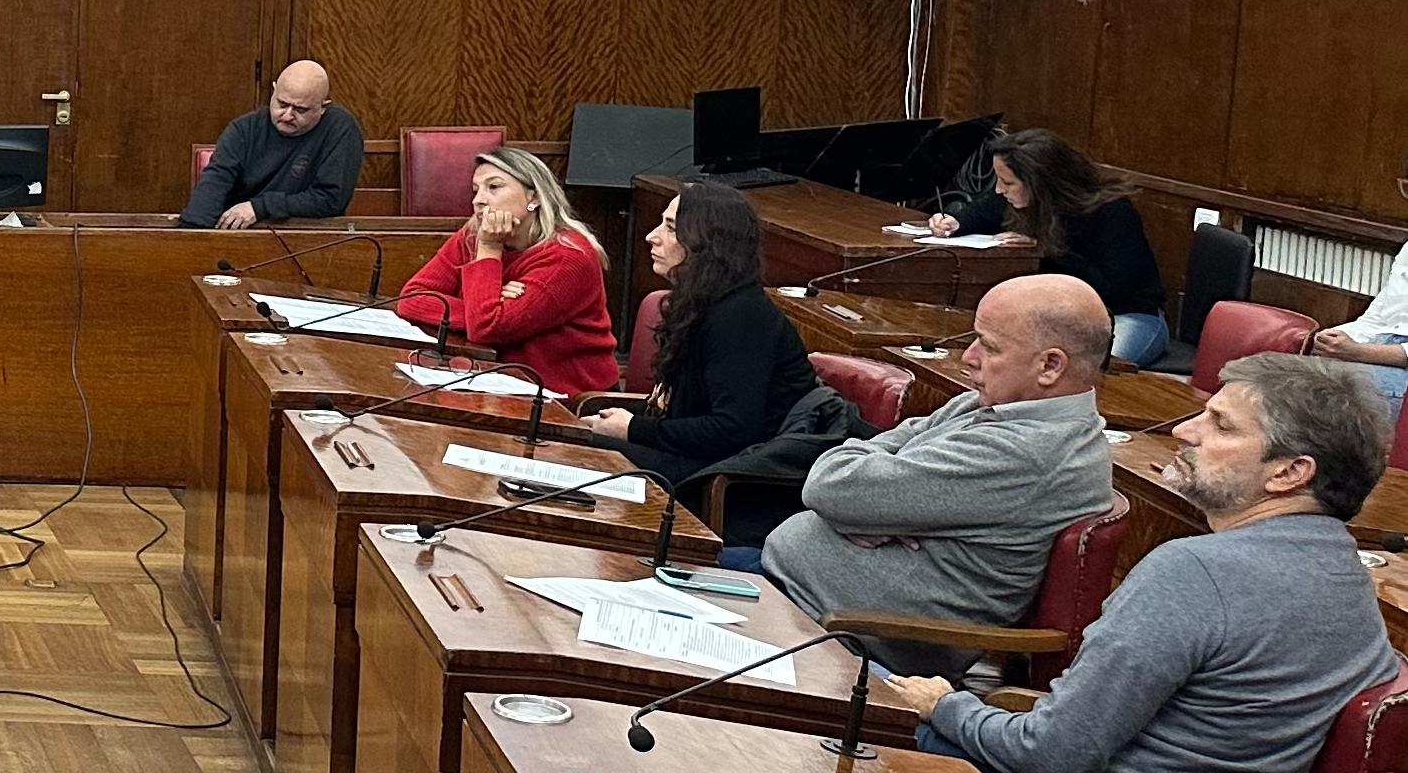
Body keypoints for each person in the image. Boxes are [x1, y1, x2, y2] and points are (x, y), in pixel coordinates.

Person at [882, 353, 1398, 773]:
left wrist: (945, 705)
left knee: (872, 724)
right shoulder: (1348, 578)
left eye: (1221, 425)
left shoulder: (1196, 572)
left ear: (1289, 473)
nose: (1184, 431)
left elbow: (1050, 755)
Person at [757, 273, 1116, 643]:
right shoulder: (988, 405)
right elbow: (863, 464)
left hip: (840, 634)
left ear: (1050, 366)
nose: (968, 358)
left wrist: (864, 498)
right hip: (796, 594)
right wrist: (867, 507)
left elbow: (829, 485)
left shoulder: (1028, 452)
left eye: (989, 347)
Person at [579, 180, 814, 512]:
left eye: (671, 228)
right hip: (691, 457)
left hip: (723, 481)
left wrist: (633, 428)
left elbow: (731, 430)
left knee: (580, 452)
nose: (652, 236)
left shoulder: (741, 316)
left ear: (708, 242)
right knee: (572, 438)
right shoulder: (701, 304)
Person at [925, 128, 1168, 366]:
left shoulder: (1113, 211)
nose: (999, 189)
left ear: (1040, 183)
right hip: (1059, 319)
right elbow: (987, 208)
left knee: (1086, 369)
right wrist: (956, 221)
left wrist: (1045, 249)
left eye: (1007, 182)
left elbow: (1114, 287)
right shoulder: (1022, 199)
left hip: (1128, 316)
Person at [393, 146, 617, 393]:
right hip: (499, 380)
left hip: (568, 396)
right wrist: (489, 303)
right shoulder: (471, 236)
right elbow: (411, 299)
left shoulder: (569, 257)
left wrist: (489, 249)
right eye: (476, 190)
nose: (478, 200)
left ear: (533, 197)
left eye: (494, 187)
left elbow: (487, 327)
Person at [179, 62, 362, 231]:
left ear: (323, 108)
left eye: (300, 110)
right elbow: (215, 182)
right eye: (282, 104)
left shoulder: (341, 128)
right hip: (241, 233)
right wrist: (190, 234)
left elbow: (330, 200)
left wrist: (259, 207)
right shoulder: (243, 129)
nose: (287, 115)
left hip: (309, 234)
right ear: (273, 91)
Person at [1308, 156, 1408, 414]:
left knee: (1323, 394)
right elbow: (1378, 319)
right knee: (1281, 373)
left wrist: (1357, 352)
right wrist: (1334, 339)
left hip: (1398, 365)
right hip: (1378, 347)